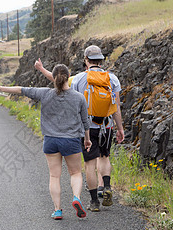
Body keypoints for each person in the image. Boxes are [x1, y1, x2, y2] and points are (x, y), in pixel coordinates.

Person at [0, 64, 92, 220]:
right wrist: (87, 139)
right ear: (68, 76)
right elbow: (85, 122)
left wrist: (1, 88)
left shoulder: (45, 93)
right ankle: (76, 198)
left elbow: (21, 90)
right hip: (71, 140)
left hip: (51, 141)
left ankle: (57, 210)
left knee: (54, 176)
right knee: (76, 173)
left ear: (54, 77)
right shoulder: (78, 97)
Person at [34, 45, 124, 212]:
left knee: (89, 163)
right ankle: (107, 187)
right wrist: (120, 128)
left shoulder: (79, 78)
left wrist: (41, 69)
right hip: (106, 125)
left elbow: (59, 83)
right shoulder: (112, 79)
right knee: (104, 157)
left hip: (87, 127)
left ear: (86, 60)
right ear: (101, 60)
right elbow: (116, 107)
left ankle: (94, 203)